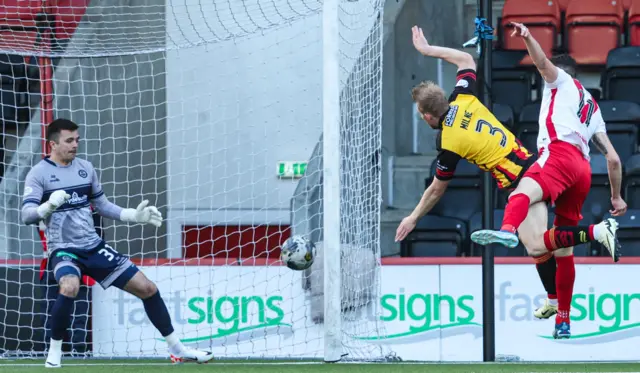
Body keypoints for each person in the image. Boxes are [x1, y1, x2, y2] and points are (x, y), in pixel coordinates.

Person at [471, 23, 626, 339]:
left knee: (522, 191)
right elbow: (613, 159)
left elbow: (542, 63)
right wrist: (616, 197)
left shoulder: (560, 82)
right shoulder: (592, 108)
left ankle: (507, 231)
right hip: (582, 170)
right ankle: (563, 320)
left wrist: (529, 38)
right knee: (563, 247)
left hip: (558, 154)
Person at [21, 118, 214, 367]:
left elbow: (102, 206)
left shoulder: (86, 168)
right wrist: (48, 205)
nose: (75, 145)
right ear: (52, 144)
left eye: (77, 140)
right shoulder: (38, 174)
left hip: (94, 246)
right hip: (64, 249)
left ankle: (177, 349)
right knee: (69, 286)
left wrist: (133, 215)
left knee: (148, 288)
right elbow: (26, 215)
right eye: (69, 140)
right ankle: (54, 353)